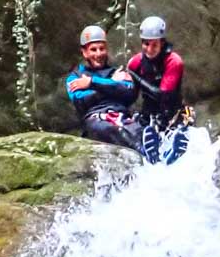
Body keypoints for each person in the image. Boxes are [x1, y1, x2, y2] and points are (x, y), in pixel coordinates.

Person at [65, 25, 154, 161]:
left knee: (141, 126)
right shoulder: (75, 77)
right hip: (96, 121)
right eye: (93, 49)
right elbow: (81, 101)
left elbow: (128, 92)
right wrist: (111, 85)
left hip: (122, 117)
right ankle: (142, 151)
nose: (98, 54)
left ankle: (157, 149)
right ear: (84, 52)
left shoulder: (117, 73)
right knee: (107, 128)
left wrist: (92, 83)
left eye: (102, 48)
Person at [125, 15, 188, 163]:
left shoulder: (173, 61)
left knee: (171, 131)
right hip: (149, 113)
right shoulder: (136, 62)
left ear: (162, 43)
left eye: (154, 45)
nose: (149, 49)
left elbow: (163, 95)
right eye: (146, 44)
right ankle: (151, 147)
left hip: (171, 112)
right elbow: (131, 95)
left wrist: (135, 77)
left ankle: (173, 146)